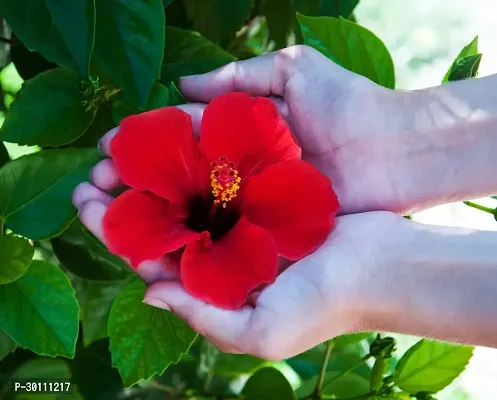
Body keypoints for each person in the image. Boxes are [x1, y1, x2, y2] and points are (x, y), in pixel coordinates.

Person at [72, 45, 497, 360]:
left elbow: (300, 214)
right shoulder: (214, 178)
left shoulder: (254, 202)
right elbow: (152, 151)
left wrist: (372, 281)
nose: (226, 186)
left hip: (234, 242)